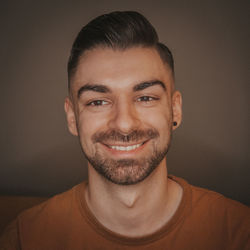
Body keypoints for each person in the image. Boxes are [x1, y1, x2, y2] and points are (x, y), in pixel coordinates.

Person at [0, 11, 249, 250]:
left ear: (175, 109)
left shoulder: (238, 233)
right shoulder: (26, 238)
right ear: (72, 117)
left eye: (145, 98)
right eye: (98, 102)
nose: (124, 124)